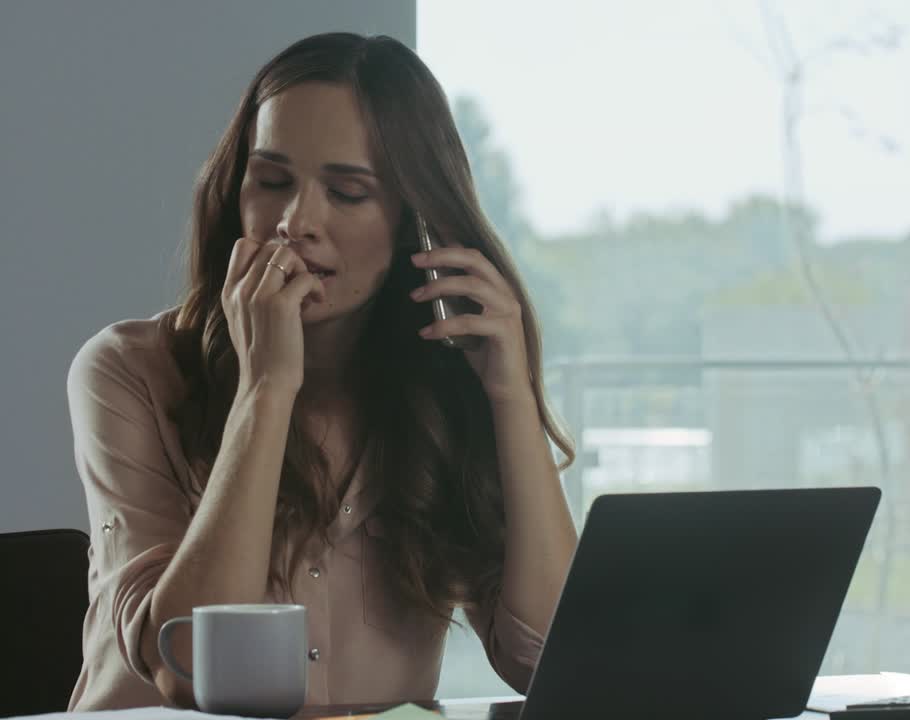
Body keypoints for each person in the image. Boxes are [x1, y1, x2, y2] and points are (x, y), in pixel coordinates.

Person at [66, 32, 577, 710]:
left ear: (410, 220)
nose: (295, 222)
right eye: (272, 182)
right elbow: (187, 666)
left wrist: (510, 397)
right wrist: (266, 389)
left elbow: (551, 663)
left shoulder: (443, 387)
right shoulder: (127, 372)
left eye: (347, 192)